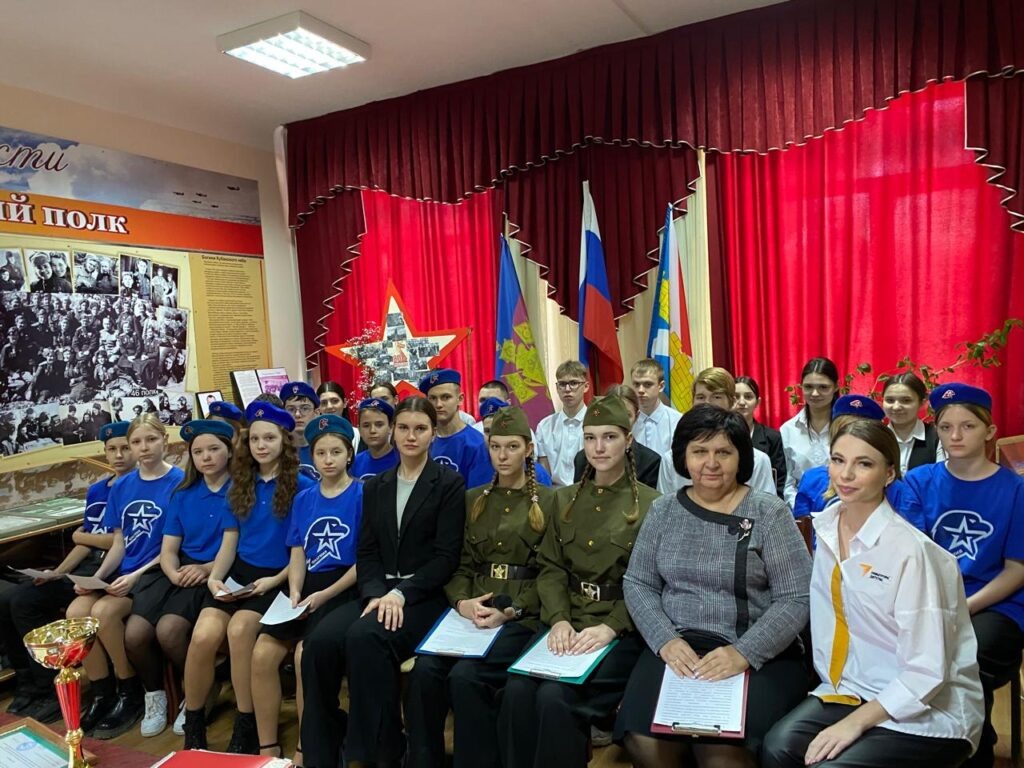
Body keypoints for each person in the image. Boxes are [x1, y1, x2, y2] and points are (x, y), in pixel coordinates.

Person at [762, 418, 984, 768]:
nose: (846, 474)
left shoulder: (911, 552)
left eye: (864, 464)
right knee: (777, 748)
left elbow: (926, 671)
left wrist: (854, 724)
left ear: (889, 473)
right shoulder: (826, 527)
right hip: (852, 688)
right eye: (838, 460)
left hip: (927, 705)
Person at [617, 404, 811, 767]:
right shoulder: (663, 511)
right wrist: (665, 640)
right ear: (683, 457)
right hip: (677, 648)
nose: (711, 463)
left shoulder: (769, 512)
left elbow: (796, 597)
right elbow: (639, 583)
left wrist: (743, 652)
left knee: (720, 753)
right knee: (646, 744)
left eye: (723, 452)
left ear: (741, 457)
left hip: (756, 651)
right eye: (699, 451)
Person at [300, 397, 465, 768]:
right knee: (319, 644)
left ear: (433, 433)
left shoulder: (448, 484)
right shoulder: (377, 486)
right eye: (403, 427)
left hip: (424, 596)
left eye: (420, 428)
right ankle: (321, 753)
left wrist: (400, 594)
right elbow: (368, 552)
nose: (411, 436)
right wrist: (376, 593)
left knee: (366, 637)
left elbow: (445, 559)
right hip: (377, 593)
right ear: (394, 431)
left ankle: (380, 752)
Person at [498, 396, 662, 768]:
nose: (598, 447)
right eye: (590, 438)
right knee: (517, 690)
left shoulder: (653, 505)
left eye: (609, 437)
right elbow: (551, 568)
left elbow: (652, 584)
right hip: (568, 622)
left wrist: (611, 627)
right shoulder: (564, 500)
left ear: (628, 441)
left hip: (622, 631)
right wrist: (558, 620)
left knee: (554, 698)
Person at [405, 406, 557, 768]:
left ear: (528, 449)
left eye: (512, 447)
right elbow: (460, 565)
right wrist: (463, 603)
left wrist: (512, 611)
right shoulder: (473, 500)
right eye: (495, 446)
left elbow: (552, 571)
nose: (502, 456)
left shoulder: (550, 501)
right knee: (424, 673)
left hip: (521, 616)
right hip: (471, 614)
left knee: (466, 677)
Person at [900, 383, 1024, 768]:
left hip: (996, 605)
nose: (955, 436)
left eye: (968, 426)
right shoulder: (919, 481)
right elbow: (913, 556)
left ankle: (972, 752)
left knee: (965, 658)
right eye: (946, 426)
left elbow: (1016, 571)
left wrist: (962, 607)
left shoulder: (1016, 489)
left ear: (989, 431)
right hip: (930, 599)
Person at [181, 402, 315, 753]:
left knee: (239, 630)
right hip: (239, 573)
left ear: (284, 441)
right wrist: (215, 577)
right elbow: (231, 539)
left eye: (269, 438)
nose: (261, 445)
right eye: (254, 439)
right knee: (203, 635)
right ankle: (194, 723)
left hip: (277, 578)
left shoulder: (302, 485)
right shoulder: (241, 483)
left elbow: (300, 550)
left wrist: (276, 580)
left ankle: (246, 722)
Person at [0, 421, 131, 723]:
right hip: (87, 567)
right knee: (17, 598)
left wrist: (81, 536)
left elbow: (121, 540)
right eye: (111, 449)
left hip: (115, 569)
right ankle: (30, 683)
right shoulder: (98, 489)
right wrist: (58, 572)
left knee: (32, 604)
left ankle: (51, 688)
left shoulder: (138, 487)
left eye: (125, 448)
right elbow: (85, 542)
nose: (118, 455)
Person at [65, 415, 184, 739]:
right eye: (137, 442)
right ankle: (103, 692)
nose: (144, 448)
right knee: (76, 612)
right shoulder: (122, 486)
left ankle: (132, 689)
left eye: (151, 440)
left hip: (156, 571)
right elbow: (119, 542)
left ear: (165, 440)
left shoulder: (179, 482)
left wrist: (134, 576)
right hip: (123, 570)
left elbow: (174, 545)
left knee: (104, 612)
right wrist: (96, 577)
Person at [252, 414, 362, 765]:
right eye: (320, 453)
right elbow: (298, 551)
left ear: (349, 454)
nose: (328, 460)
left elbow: (366, 560)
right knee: (262, 652)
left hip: (344, 587)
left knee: (304, 656)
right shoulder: (304, 498)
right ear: (311, 457)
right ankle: (267, 746)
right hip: (307, 585)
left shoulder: (363, 494)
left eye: (336, 452)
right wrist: (295, 590)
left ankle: (307, 745)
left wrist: (324, 595)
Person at [156, 419, 239, 737]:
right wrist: (173, 573)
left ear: (229, 451)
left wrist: (207, 570)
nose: (206, 457)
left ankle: (205, 692)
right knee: (168, 630)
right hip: (188, 573)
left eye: (214, 449)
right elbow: (168, 549)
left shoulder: (241, 489)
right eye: (198, 451)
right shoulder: (183, 494)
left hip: (228, 570)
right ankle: (205, 683)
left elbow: (240, 545)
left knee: (214, 633)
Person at [793, 395, 906, 518]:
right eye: (843, 431)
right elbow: (801, 525)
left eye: (865, 464)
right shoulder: (812, 479)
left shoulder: (897, 490)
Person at [688, 368, 778, 496]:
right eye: (700, 397)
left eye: (716, 397)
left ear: (732, 402)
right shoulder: (672, 460)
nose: (707, 404)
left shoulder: (758, 461)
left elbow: (767, 506)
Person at [573, 384, 661, 490]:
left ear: (637, 416)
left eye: (626, 415)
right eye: (612, 415)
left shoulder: (650, 462)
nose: (620, 422)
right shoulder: (582, 459)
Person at [781, 357, 840, 507]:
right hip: (801, 511)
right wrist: (801, 509)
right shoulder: (788, 430)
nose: (814, 393)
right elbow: (787, 482)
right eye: (808, 387)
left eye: (823, 387)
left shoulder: (847, 428)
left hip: (843, 508)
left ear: (836, 387)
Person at [419, 368, 492, 488]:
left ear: (460, 399)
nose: (438, 404)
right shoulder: (424, 441)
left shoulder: (476, 444)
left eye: (446, 397)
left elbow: (478, 494)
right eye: (433, 398)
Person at [629, 359, 682, 493]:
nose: (641, 390)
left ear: (661, 386)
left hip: (670, 491)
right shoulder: (626, 421)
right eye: (636, 384)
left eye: (647, 384)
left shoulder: (678, 421)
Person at [535, 360, 590, 486]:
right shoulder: (545, 426)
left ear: (586, 386)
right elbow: (544, 468)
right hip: (555, 490)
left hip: (587, 489)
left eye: (574, 383)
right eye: (562, 384)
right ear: (557, 387)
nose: (567, 389)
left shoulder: (597, 423)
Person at [881, 372, 944, 476]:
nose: (896, 407)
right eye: (890, 400)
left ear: (922, 403)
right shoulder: (874, 438)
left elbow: (941, 479)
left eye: (906, 400)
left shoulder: (938, 437)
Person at [734, 375, 787, 498]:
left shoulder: (772, 438)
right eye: (736, 397)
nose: (741, 402)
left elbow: (779, 481)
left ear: (757, 402)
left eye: (748, 397)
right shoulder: (721, 436)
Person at [350, 397, 399, 480]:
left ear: (391, 427)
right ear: (359, 430)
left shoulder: (401, 460)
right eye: (366, 425)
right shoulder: (356, 462)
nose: (372, 430)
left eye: (379, 425)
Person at [282, 380, 321, 480]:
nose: (298, 415)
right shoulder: (278, 450)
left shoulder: (325, 448)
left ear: (316, 413)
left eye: (305, 408)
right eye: (291, 409)